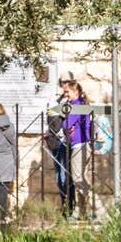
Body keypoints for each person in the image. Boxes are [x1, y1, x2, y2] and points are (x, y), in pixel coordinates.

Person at [46, 76, 94, 216]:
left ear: (75, 92)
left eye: (68, 92)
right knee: (80, 176)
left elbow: (66, 125)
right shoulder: (81, 104)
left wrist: (68, 126)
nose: (65, 95)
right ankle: (81, 211)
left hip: (79, 145)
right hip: (82, 144)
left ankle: (87, 206)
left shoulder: (77, 105)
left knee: (77, 177)